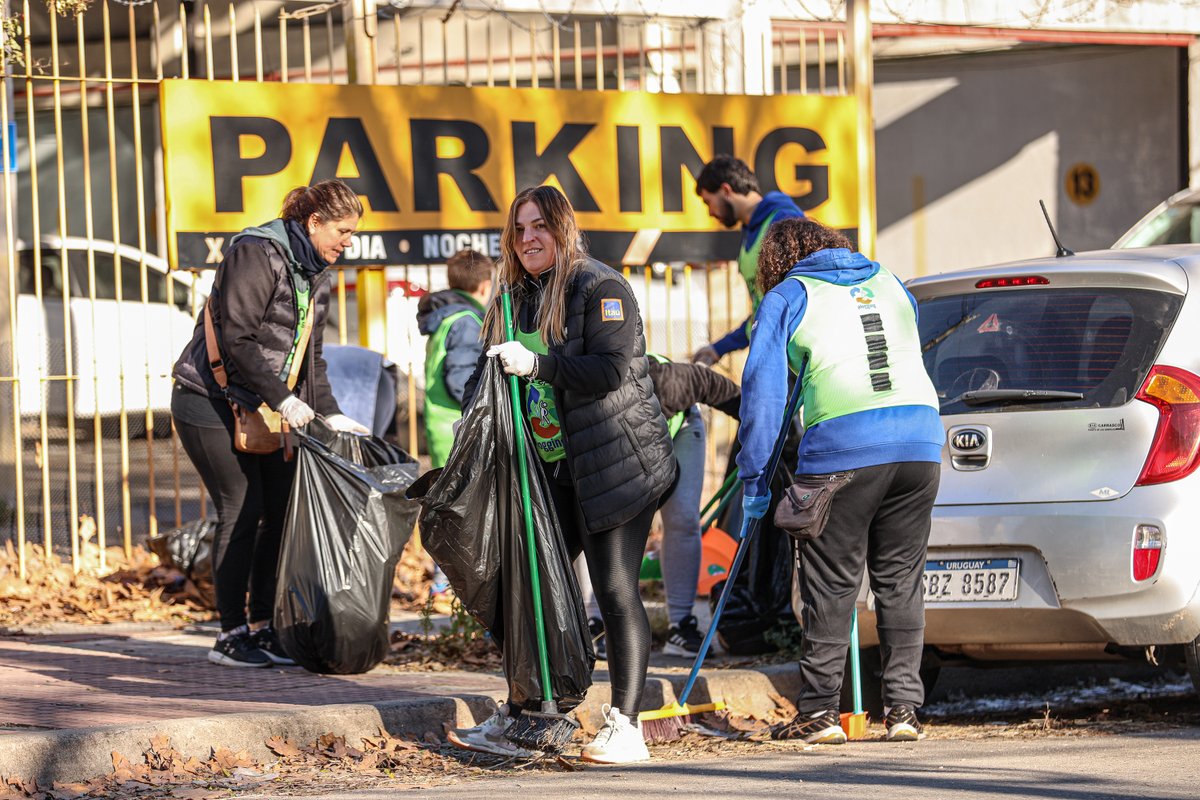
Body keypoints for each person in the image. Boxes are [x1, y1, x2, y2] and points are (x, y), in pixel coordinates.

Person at [448, 185, 677, 765]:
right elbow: (485, 376)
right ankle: (529, 712)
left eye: (539, 226)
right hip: (554, 466)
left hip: (618, 463)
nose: (528, 239)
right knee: (530, 583)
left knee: (615, 588)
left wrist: (538, 364)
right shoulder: (514, 297)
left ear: (563, 228)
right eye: (519, 229)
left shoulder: (600, 287)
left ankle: (626, 726)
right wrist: (470, 423)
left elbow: (610, 370)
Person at [736, 218, 943, 744]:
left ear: (777, 261)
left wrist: (755, 481)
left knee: (830, 585)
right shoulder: (890, 280)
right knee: (900, 580)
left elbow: (762, 397)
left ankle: (820, 713)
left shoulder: (787, 296)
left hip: (843, 447)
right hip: (920, 441)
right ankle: (904, 711)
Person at [171, 179, 370, 668]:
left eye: (352, 233)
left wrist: (330, 411)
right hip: (208, 399)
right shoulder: (255, 253)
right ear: (314, 222)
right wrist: (283, 399)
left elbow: (310, 357)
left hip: (261, 406)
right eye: (343, 231)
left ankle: (263, 626)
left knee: (280, 510)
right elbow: (237, 339)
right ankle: (230, 634)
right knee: (242, 508)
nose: (348, 242)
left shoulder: (314, 271)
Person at [576, 355, 741, 660]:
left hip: (680, 430)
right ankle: (593, 622)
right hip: (607, 442)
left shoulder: (671, 382)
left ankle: (681, 625)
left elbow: (722, 390)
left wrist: (763, 427)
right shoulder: (587, 404)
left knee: (683, 519)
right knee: (595, 518)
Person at [417, 248, 494, 610]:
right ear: (485, 286)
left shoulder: (445, 318)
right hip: (458, 429)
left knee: (451, 508)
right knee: (464, 512)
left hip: (440, 427)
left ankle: (443, 586)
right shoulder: (466, 321)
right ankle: (449, 588)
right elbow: (461, 379)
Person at [691, 154, 805, 367]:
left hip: (795, 364)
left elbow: (800, 301)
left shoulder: (784, 221)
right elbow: (762, 312)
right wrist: (718, 348)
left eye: (708, 202)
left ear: (726, 190)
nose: (710, 212)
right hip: (776, 360)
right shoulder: (749, 234)